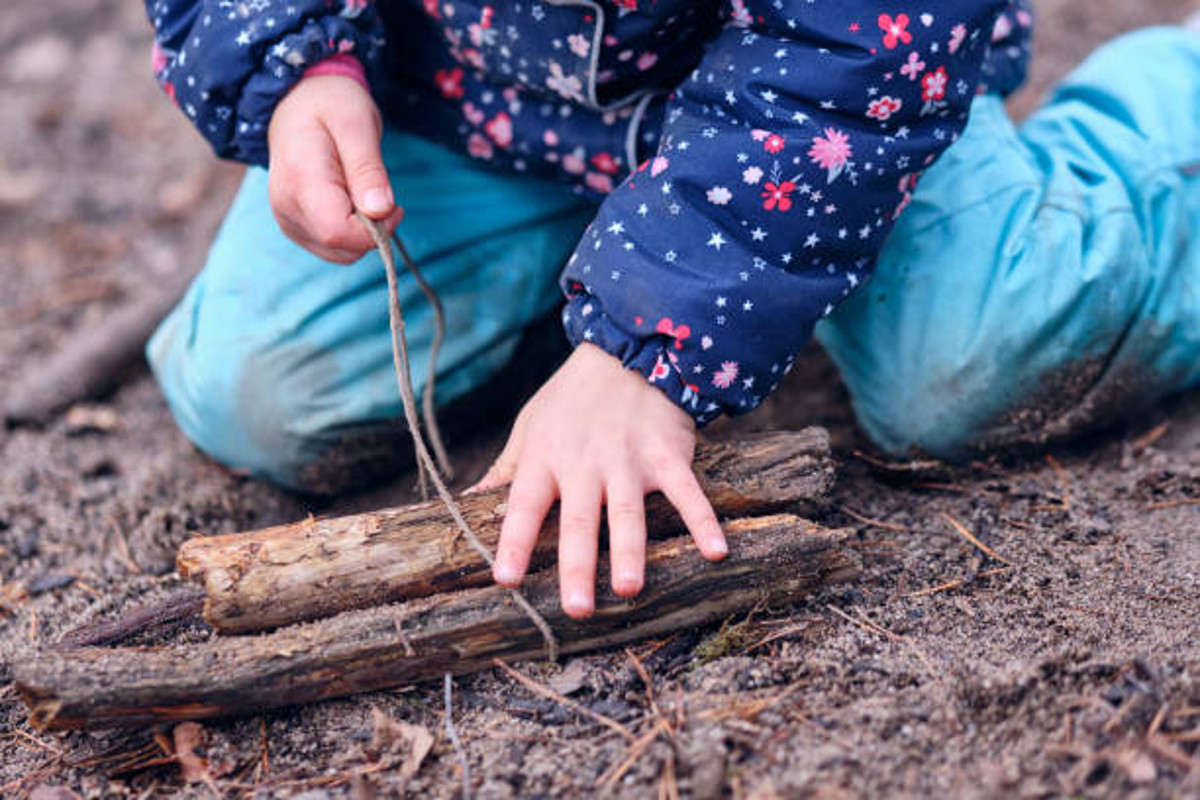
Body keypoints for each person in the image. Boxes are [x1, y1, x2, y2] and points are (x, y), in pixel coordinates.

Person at [144, 0, 1199, 619]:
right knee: (259, 391)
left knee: (975, 359)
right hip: (472, 104)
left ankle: (1172, 110)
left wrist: (646, 350)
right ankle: (603, 247)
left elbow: (847, 58)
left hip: (835, 112)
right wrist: (297, 62)